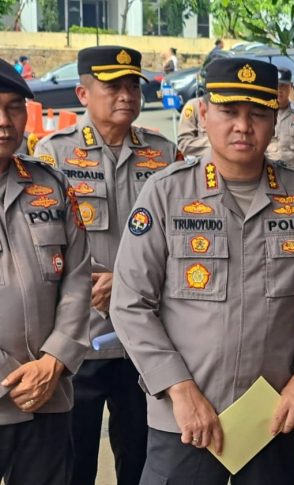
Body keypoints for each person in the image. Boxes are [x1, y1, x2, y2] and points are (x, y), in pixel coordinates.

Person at [109, 57, 294, 484]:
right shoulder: (166, 193)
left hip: (271, 418)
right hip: (183, 421)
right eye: (229, 111)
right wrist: (178, 388)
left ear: (275, 119)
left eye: (258, 113)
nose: (243, 125)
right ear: (204, 114)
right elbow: (130, 303)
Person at [34, 45, 182, 485]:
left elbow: (185, 241)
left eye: (132, 85)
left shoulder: (163, 154)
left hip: (144, 340)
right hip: (78, 342)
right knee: (72, 461)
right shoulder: (53, 155)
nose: (126, 95)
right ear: (82, 92)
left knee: (140, 459)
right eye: (113, 86)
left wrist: (125, 281)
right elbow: (43, 248)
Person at [0, 57, 91, 485]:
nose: (4, 121)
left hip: (47, 397)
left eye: (14, 107)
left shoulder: (49, 185)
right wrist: (12, 378)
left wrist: (55, 361)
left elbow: (77, 279)